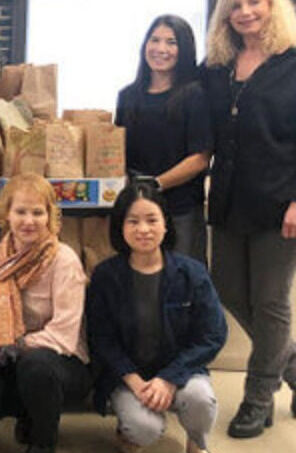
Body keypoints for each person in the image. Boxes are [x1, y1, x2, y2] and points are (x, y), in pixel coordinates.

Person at [201, 0, 296, 437]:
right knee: (230, 292)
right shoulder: (218, 67)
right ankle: (295, 367)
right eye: (236, 6)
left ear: (272, 6)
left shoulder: (292, 62)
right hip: (228, 200)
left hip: (280, 203)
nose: (245, 12)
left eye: (255, 3)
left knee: (271, 301)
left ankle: (259, 397)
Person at [0, 173, 91, 453]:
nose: (29, 221)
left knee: (35, 367)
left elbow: (64, 333)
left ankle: (44, 441)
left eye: (37, 212)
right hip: (9, 353)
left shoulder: (64, 260)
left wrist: (16, 346)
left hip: (60, 360)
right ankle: (31, 412)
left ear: (50, 216)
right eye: (20, 211)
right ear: (6, 214)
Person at [87, 182, 227, 453]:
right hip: (129, 377)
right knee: (144, 428)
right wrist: (133, 380)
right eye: (133, 221)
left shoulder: (192, 274)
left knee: (200, 400)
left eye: (152, 220)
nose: (143, 229)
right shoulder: (106, 275)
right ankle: (129, 430)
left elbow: (213, 335)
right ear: (120, 226)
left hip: (181, 372)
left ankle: (196, 442)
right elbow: (101, 338)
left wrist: (169, 378)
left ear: (166, 224)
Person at [115, 14, 212, 262]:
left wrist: (156, 184)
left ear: (185, 49)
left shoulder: (195, 95)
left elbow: (200, 157)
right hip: (136, 210)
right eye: (154, 40)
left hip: (180, 210)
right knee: (140, 285)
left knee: (182, 285)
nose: (161, 49)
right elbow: (118, 151)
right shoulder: (127, 96)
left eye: (171, 42)